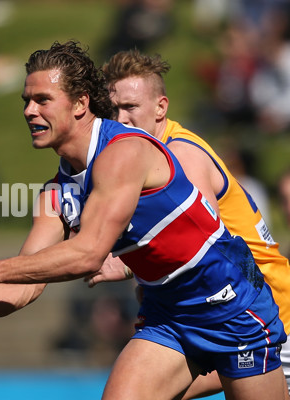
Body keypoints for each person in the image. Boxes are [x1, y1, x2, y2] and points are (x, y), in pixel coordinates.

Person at [0, 41, 288, 399]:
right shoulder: (56, 192)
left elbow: (87, 254)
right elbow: (27, 282)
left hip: (232, 307)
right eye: (27, 101)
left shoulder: (124, 153)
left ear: (81, 104)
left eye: (42, 100)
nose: (29, 111)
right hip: (168, 314)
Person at [99, 48, 290, 398]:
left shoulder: (181, 155)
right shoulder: (138, 159)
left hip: (269, 315)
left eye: (130, 108)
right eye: (113, 109)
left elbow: (202, 243)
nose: (120, 119)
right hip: (206, 314)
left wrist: (125, 266)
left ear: (161, 107)